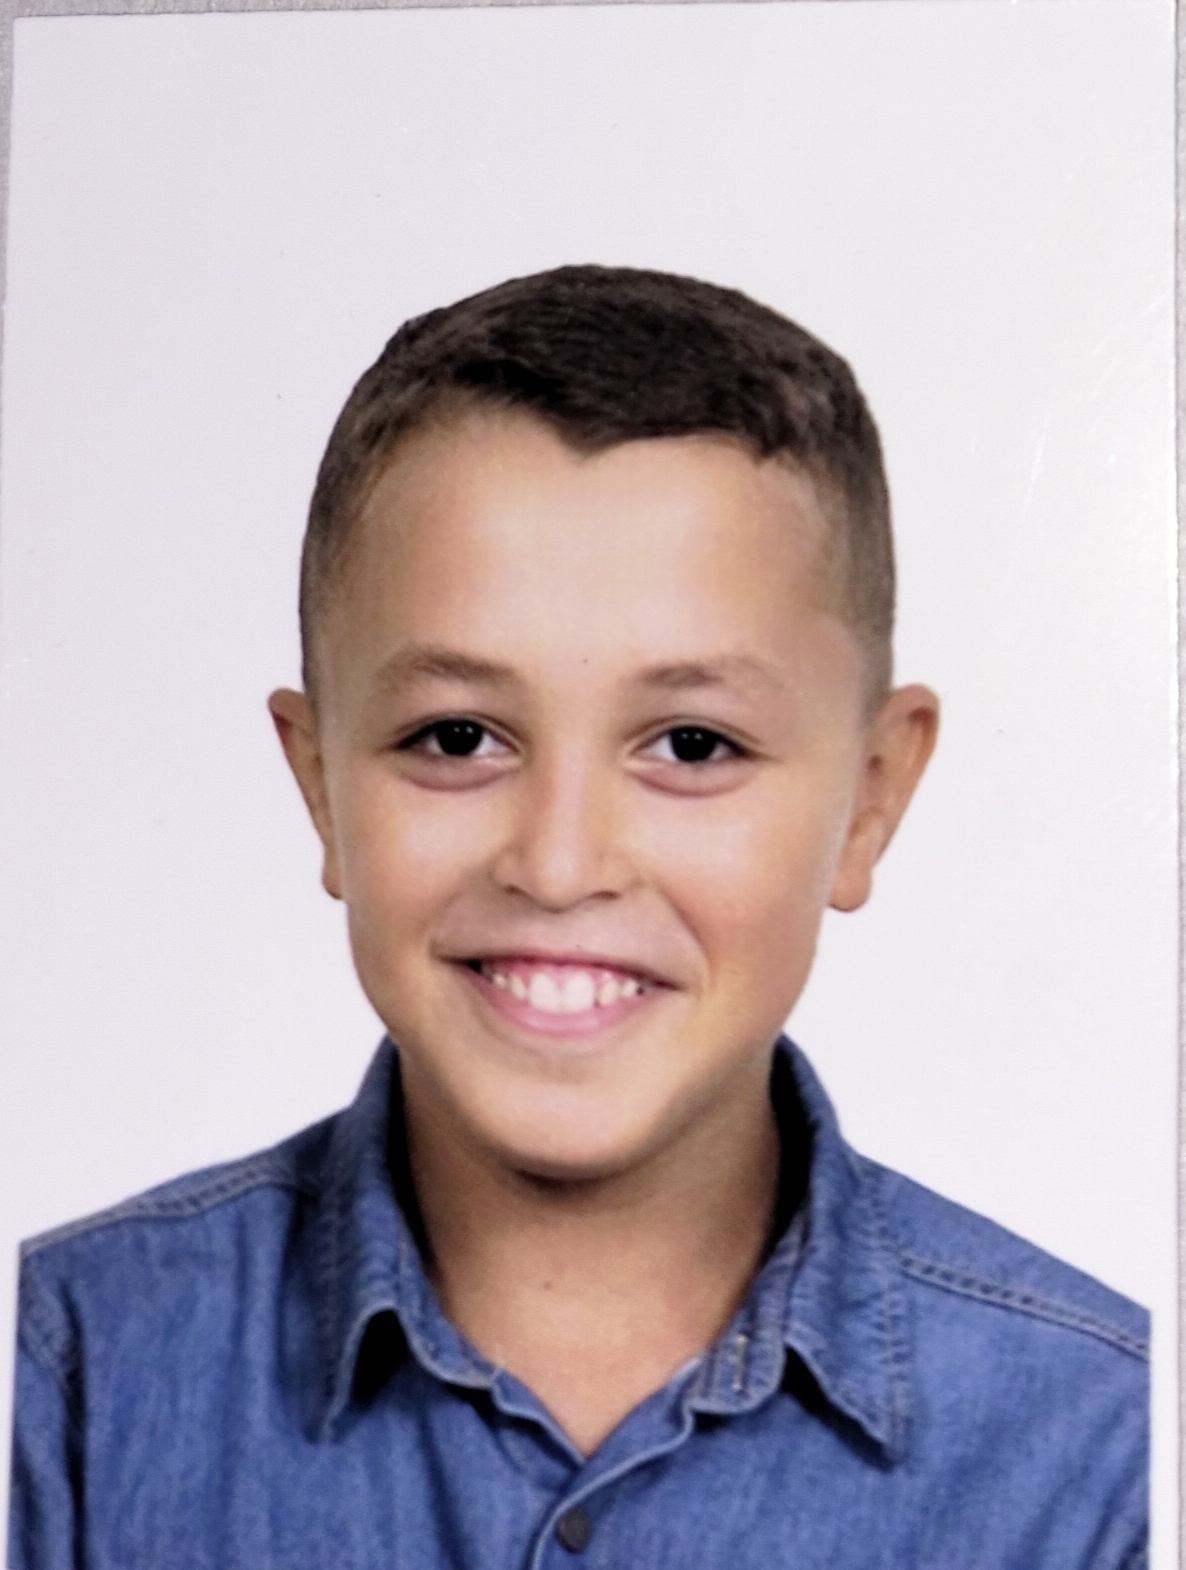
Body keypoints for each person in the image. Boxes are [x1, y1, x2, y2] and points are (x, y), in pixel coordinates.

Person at [8, 266, 1148, 1569]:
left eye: (692, 744)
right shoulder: (63, 1384)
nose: (558, 865)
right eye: (457, 737)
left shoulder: (1112, 1462)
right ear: (319, 784)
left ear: (870, 797)